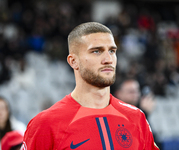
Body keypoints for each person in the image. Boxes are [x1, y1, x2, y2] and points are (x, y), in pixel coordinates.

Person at [21, 22, 159, 150]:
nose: (108, 59)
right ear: (73, 61)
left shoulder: (137, 118)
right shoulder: (45, 125)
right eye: (96, 51)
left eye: (112, 51)